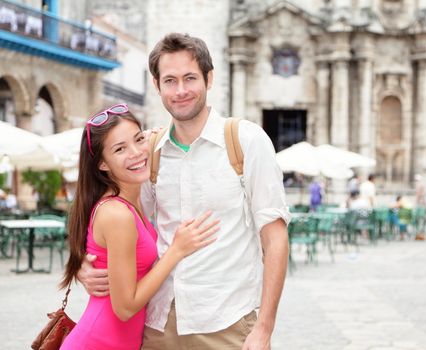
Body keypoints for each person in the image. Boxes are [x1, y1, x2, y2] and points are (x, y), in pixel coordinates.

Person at [78, 33, 290, 349]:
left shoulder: (246, 141)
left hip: (226, 323)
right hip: (157, 326)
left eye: (190, 78)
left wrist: (264, 328)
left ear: (209, 78)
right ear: (156, 85)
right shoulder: (150, 152)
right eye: (170, 80)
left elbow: (275, 239)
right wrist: (86, 262)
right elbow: (124, 223)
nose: (180, 91)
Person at [60, 105, 218, 349]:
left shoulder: (130, 203)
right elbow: (124, 307)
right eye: (120, 149)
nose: (136, 153)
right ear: (102, 164)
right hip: (99, 342)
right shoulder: (117, 213)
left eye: (138, 139)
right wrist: (176, 250)